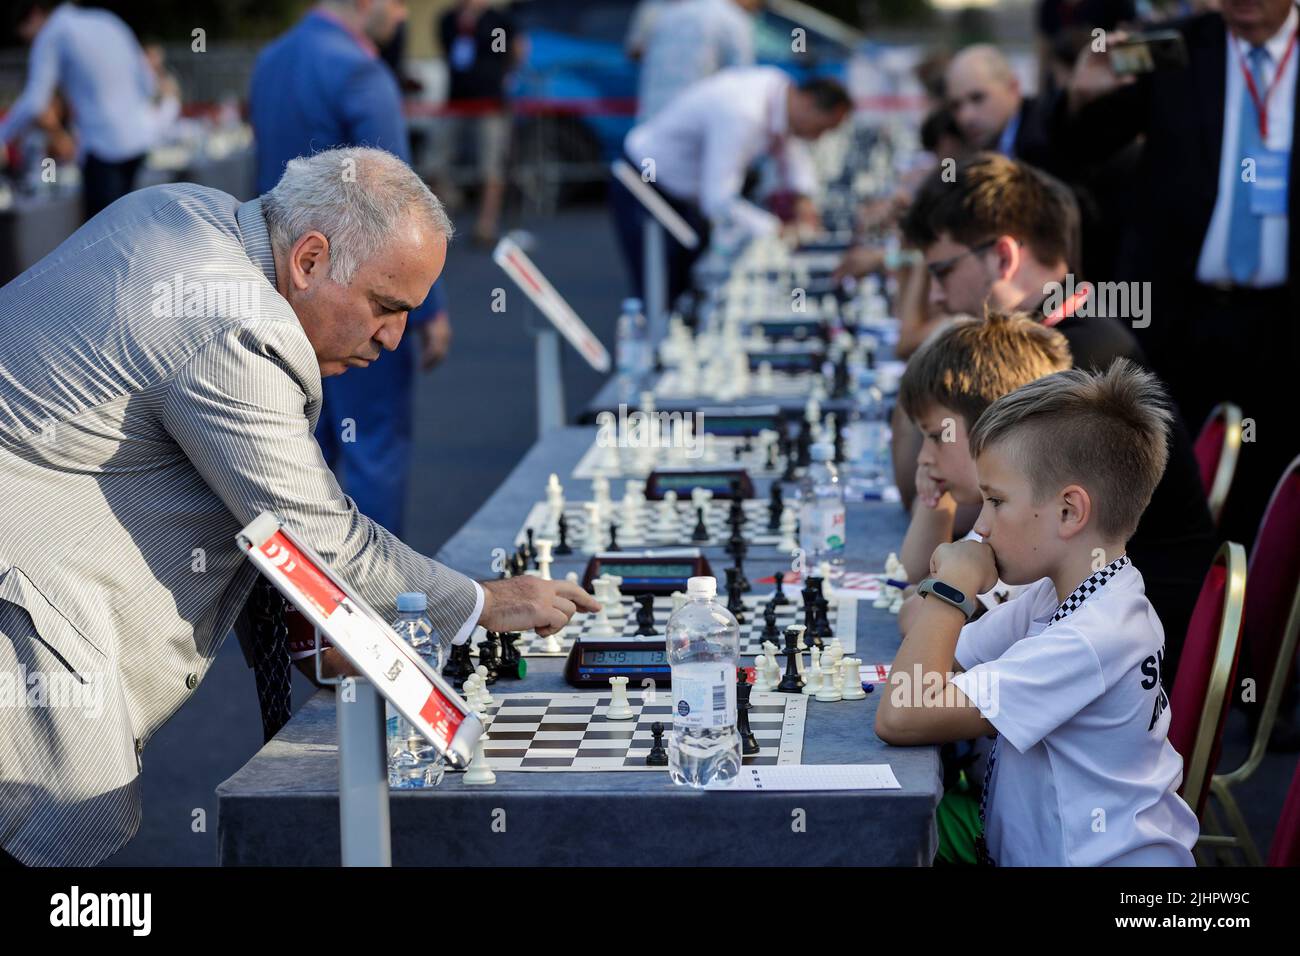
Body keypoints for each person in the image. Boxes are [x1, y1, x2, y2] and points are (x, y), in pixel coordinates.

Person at [0, 147, 600, 867]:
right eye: (386, 306)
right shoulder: (237, 324)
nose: (394, 338)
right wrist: (484, 603)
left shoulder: (178, 210)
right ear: (310, 259)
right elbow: (323, 544)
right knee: (50, 840)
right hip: (25, 626)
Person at [876, 360, 1201, 866]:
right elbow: (932, 655)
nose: (980, 527)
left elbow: (901, 713)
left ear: (1069, 512)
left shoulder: (1093, 637)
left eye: (996, 501)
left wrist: (951, 588)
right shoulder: (1060, 593)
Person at [896, 152, 1218, 662]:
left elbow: (946, 576)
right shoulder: (1076, 328)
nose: (936, 295)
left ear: (1002, 258)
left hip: (1125, 650)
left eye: (942, 270)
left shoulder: (1069, 368)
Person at [1065, 0, 1299, 553]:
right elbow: (1084, 153)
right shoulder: (1177, 46)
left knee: (1270, 496)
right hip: (1180, 315)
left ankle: (1250, 631)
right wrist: (1082, 97)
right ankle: (1160, 628)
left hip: (1283, 325)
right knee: (1159, 487)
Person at [251, 0, 452, 538]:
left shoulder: (271, 60)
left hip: (283, 281)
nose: (403, 15)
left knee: (298, 454)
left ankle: (298, 604)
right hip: (359, 286)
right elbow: (401, 210)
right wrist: (425, 308)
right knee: (375, 449)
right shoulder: (362, 72)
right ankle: (377, 606)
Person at [614, 68, 851, 301]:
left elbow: (787, 144)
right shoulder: (743, 114)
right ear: (808, 103)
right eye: (822, 128)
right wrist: (776, 229)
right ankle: (653, 334)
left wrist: (803, 198)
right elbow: (718, 200)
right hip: (644, 185)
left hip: (681, 190)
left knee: (688, 272)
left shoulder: (779, 89)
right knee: (661, 287)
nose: (819, 137)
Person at [896, 311, 1073, 610]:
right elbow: (912, 575)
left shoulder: (1023, 520)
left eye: (938, 437)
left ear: (993, 428)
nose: (923, 458)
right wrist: (937, 500)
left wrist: (918, 596)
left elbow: (919, 614)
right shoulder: (1000, 504)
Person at [0, 1, 160, 221]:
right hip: (138, 141)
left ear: (35, 15)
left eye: (25, 36)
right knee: (130, 228)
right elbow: (148, 83)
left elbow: (35, 101)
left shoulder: (53, 33)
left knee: (103, 241)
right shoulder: (107, 19)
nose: (29, 43)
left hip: (105, 148)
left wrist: (2, 135)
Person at [437, 0, 524, 245]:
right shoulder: (448, 19)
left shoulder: (497, 19)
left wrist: (503, 76)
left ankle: (486, 224)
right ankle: (444, 217)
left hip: (491, 104)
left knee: (490, 166)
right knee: (435, 161)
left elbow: (516, 50)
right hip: (456, 101)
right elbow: (449, 53)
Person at [634, 0, 760, 123]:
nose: (756, 5)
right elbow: (743, 80)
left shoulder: (669, 14)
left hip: (651, 124)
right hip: (694, 128)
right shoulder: (732, 19)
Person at [944, 44, 1060, 169]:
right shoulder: (952, 144)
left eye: (978, 98)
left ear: (1013, 88)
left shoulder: (1052, 134)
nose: (966, 117)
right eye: (955, 106)